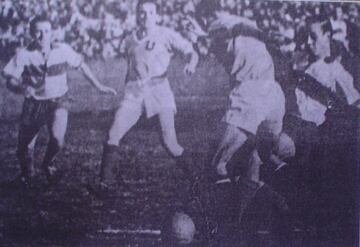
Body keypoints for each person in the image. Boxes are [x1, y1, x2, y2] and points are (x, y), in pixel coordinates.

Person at [96, 0, 199, 192]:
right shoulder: (129, 39)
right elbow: (131, 68)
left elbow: (192, 52)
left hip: (160, 90)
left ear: (157, 15)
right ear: (137, 15)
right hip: (135, 91)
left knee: (170, 142)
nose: (146, 17)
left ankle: (197, 179)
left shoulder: (165, 34)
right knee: (113, 134)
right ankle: (104, 184)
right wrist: (128, 91)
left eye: (151, 13)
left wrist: (191, 64)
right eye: (142, 13)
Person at [1, 15, 116, 186]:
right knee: (25, 148)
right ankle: (27, 175)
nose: (43, 36)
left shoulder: (62, 49)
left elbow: (81, 65)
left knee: (57, 139)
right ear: (31, 33)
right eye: (38, 32)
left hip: (58, 100)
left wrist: (99, 85)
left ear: (52, 32)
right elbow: (9, 79)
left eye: (46, 31)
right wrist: (22, 88)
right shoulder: (24, 54)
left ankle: (48, 163)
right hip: (34, 103)